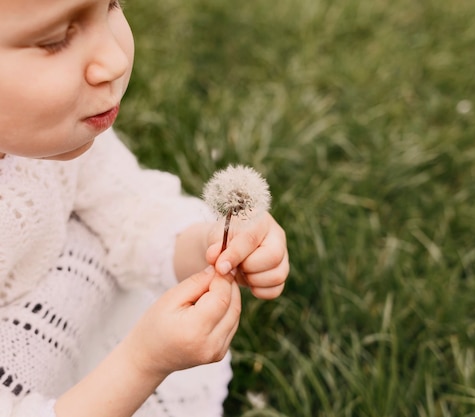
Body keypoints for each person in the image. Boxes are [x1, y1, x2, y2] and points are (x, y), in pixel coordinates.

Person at [0, 0, 290, 416]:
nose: (115, 60)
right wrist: (142, 363)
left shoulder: (51, 144)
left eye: (113, 3)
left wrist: (209, 246)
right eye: (56, 39)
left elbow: (130, 212)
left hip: (81, 323)